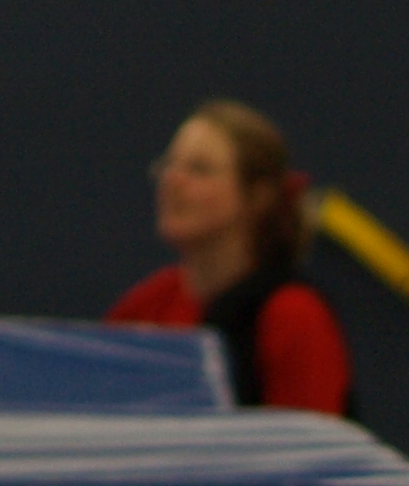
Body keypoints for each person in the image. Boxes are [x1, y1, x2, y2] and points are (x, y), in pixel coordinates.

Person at [107, 99, 354, 413]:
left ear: (258, 196)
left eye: (199, 169)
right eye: (169, 164)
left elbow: (311, 439)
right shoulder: (146, 306)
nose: (172, 181)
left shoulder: (294, 315)